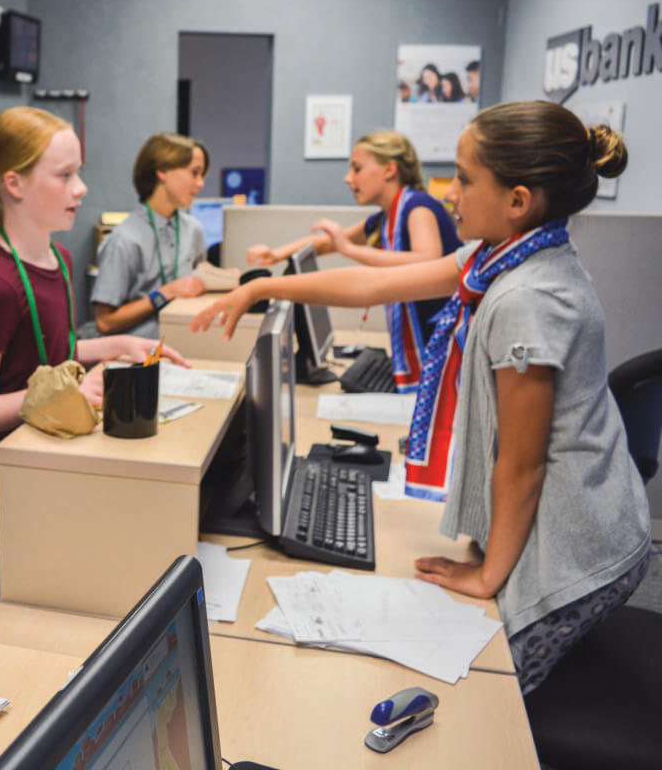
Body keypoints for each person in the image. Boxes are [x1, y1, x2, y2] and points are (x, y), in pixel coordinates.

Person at [193, 101, 651, 694]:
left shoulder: (527, 298)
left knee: (483, 693)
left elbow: (523, 462)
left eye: (463, 179)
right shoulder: (500, 259)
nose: (449, 194)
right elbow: (374, 281)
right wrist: (264, 287)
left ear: (517, 200)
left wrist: (487, 576)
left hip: (579, 555)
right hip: (555, 525)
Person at [0, 107, 188, 636]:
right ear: (14, 183)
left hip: (39, 463)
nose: (80, 188)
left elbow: (48, 350)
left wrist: (117, 344)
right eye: (64, 175)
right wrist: (70, 387)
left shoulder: (56, 258)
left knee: (41, 612)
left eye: (78, 172)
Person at [245, 131, 462, 391]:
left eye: (357, 169)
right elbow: (329, 242)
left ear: (389, 169)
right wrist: (277, 253)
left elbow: (426, 261)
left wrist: (348, 249)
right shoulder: (386, 216)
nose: (349, 179)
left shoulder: (418, 207)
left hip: (443, 354)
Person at [89, 133, 210, 338]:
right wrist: (165, 293)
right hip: (139, 357)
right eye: (195, 173)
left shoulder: (193, 230)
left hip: (188, 343)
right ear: (162, 171)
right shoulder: (124, 239)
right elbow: (105, 323)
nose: (201, 184)